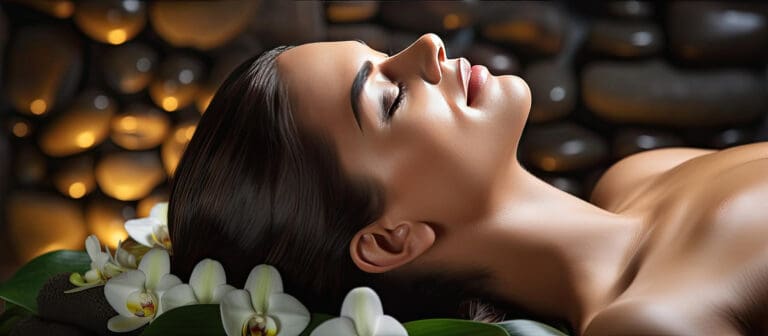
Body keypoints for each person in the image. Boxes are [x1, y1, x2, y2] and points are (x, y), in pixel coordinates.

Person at [168, 33, 768, 335]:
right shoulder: (645, 323)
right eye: (389, 95)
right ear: (389, 240)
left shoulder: (639, 175)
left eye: (385, 53)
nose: (427, 48)